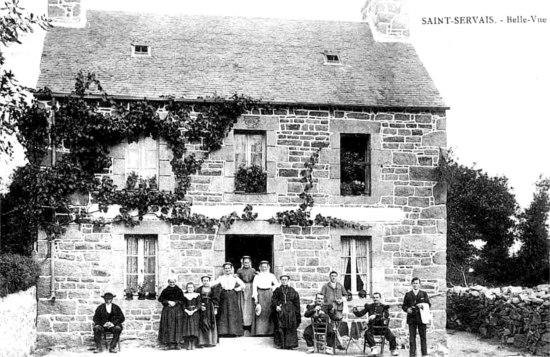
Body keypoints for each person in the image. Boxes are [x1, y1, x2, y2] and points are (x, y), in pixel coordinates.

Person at [211, 262, 246, 336]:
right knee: (223, 312)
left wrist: (236, 289)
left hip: (232, 295)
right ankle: (223, 332)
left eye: (228, 268)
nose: (227, 270)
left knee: (233, 312)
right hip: (223, 295)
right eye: (226, 268)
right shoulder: (221, 277)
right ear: (223, 270)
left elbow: (243, 285)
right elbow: (213, 284)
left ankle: (234, 332)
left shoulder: (234, 277)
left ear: (231, 269)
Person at [402, 277, 431, 357]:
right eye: (414, 283)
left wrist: (422, 306)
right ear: (412, 284)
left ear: (419, 284)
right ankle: (412, 354)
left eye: (417, 283)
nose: (415, 285)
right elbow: (404, 306)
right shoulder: (408, 294)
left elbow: (429, 304)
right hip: (411, 318)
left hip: (421, 318)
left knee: (423, 336)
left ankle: (424, 354)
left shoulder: (424, 294)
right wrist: (407, 309)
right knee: (412, 337)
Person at [271, 275, 301, 350]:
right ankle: (280, 344)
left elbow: (296, 301)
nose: (284, 281)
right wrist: (276, 306)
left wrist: (296, 310)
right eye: (282, 280)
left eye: (285, 280)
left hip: (290, 311)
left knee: (290, 326)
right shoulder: (277, 290)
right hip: (281, 310)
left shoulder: (292, 290)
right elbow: (274, 299)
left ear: (288, 281)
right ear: (280, 281)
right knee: (280, 326)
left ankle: (290, 345)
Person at [252, 260, 279, 336]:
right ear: (260, 267)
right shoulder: (257, 276)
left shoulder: (271, 275)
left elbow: (277, 285)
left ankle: (269, 331)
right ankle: (260, 331)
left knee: (269, 312)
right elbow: (254, 287)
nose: (264, 268)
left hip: (269, 294)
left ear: (268, 267)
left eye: (265, 267)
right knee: (260, 312)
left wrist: (271, 287)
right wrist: (256, 298)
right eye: (262, 267)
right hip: (260, 293)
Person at [157, 278, 184, 350]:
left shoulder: (179, 290)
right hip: (167, 310)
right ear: (168, 282)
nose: (172, 284)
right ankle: (167, 343)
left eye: (173, 282)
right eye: (170, 282)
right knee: (167, 325)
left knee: (177, 326)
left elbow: (182, 300)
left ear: (175, 282)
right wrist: (167, 302)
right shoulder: (165, 291)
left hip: (177, 310)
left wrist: (175, 302)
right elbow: (161, 299)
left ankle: (177, 343)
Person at [196, 276, 220, 347]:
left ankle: (211, 341)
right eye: (204, 280)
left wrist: (215, 308)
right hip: (202, 307)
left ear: (209, 281)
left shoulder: (213, 289)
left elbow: (216, 299)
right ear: (202, 281)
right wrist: (200, 306)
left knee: (210, 322)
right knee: (203, 322)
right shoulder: (198, 289)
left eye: (207, 280)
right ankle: (202, 342)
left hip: (210, 307)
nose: (205, 282)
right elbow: (197, 298)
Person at [237, 255, 256, 335]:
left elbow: (256, 278)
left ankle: (250, 326)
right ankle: (243, 326)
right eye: (245, 262)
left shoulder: (253, 270)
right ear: (243, 263)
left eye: (248, 262)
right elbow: (237, 279)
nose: (246, 264)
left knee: (250, 307)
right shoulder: (239, 270)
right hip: (243, 289)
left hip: (251, 288)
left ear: (250, 263)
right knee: (243, 307)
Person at [182, 282, 201, 350]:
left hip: (195, 313)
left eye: (191, 287)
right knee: (188, 329)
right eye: (188, 287)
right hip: (187, 313)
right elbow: (183, 305)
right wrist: (187, 311)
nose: (190, 289)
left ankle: (193, 344)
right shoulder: (184, 295)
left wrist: (193, 311)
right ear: (187, 288)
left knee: (194, 328)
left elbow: (199, 304)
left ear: (193, 288)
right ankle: (189, 344)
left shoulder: (197, 295)